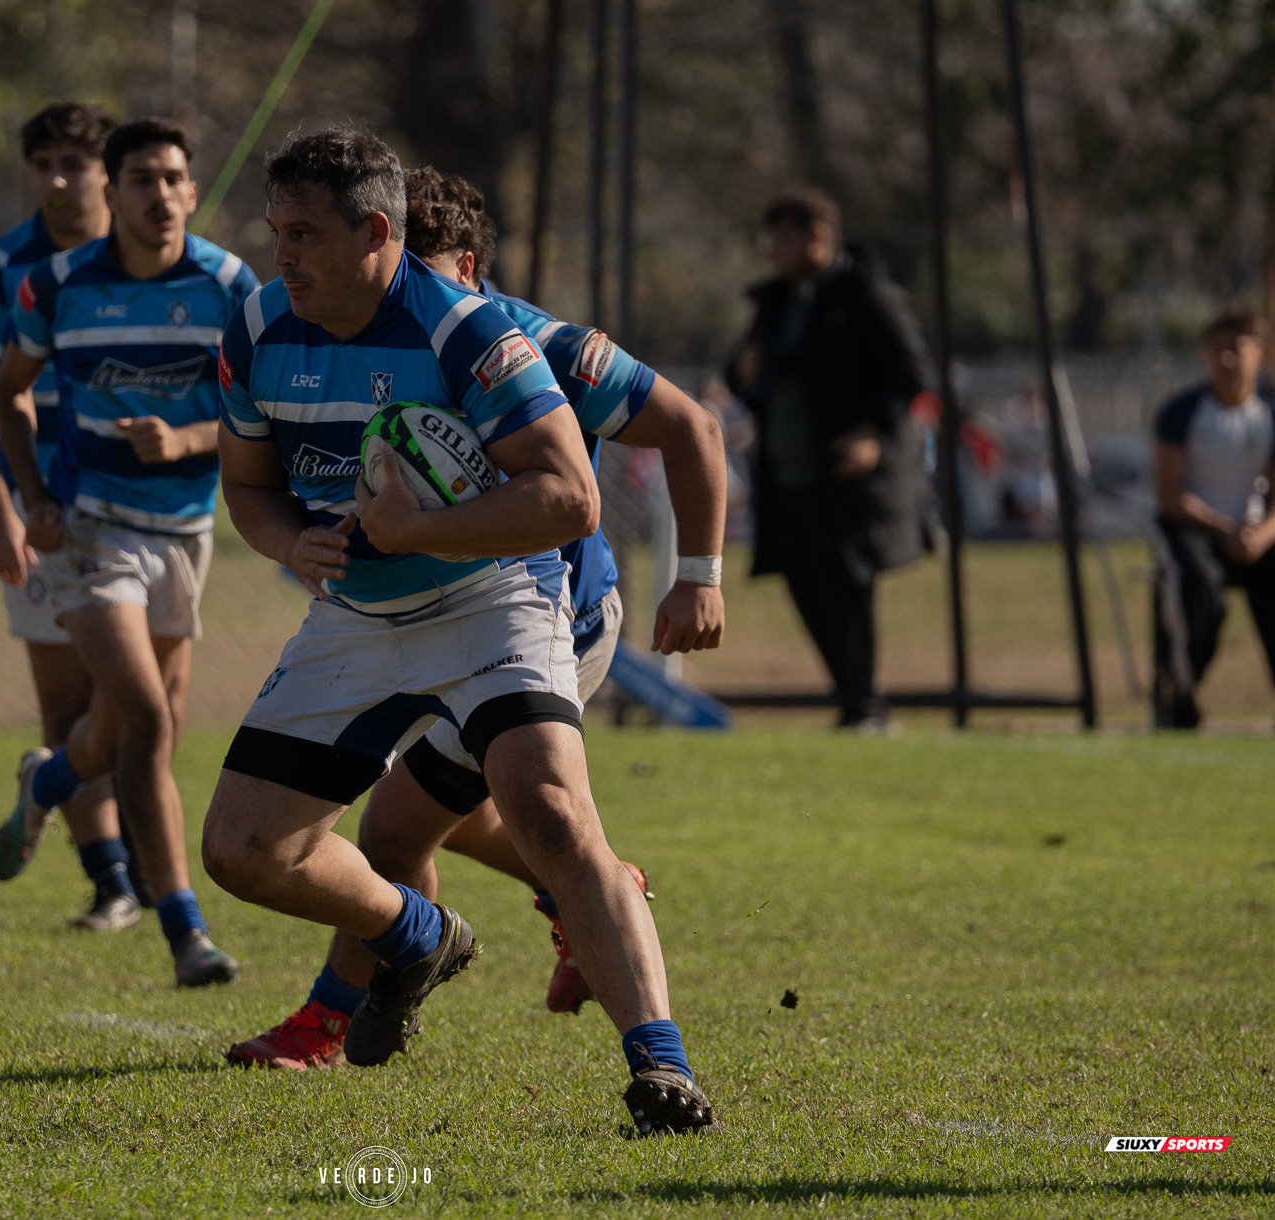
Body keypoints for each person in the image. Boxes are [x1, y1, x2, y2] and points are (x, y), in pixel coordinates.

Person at [200, 124, 714, 1135]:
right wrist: (289, 543)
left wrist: (424, 528)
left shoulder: (474, 334)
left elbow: (571, 499)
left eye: (303, 234)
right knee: (241, 848)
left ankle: (661, 1063)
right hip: (357, 613)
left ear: (375, 232)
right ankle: (418, 931)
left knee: (554, 813)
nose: (282, 255)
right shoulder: (258, 329)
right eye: (277, 232)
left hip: (492, 597)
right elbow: (248, 488)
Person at [0, 118, 260, 987]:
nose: (162, 194)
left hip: (183, 532)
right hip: (90, 528)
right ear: (113, 189)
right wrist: (30, 494)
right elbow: (9, 394)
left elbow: (262, 413)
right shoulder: (58, 284)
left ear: (191, 186)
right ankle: (186, 931)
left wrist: (185, 441)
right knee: (143, 719)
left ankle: (49, 779)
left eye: (175, 178)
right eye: (141, 178)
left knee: (142, 732)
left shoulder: (228, 283)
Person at [0, 102, 151, 930]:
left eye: (76, 162)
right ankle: (114, 882)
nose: (60, 180)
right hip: (45, 516)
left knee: (147, 702)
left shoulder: (153, 258)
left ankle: (82, 808)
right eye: (45, 164)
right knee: (70, 702)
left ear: (108, 171)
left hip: (145, 514)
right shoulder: (0, 267)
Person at [724, 189, 932, 730]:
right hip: (786, 473)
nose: (772, 250)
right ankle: (854, 701)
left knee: (847, 583)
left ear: (817, 235)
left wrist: (872, 434)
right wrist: (738, 370)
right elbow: (746, 372)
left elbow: (910, 371)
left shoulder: (866, 294)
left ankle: (864, 705)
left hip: (846, 477)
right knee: (802, 581)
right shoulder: (774, 301)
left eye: (783, 237)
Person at [1151, 304, 1275, 728]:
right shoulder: (1183, 412)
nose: (1224, 360)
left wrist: (1261, 535)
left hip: (1254, 530)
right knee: (1200, 588)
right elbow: (1170, 496)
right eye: (1215, 350)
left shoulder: (1269, 412)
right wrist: (1227, 530)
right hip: (1194, 527)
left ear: (1260, 353)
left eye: (1234, 349)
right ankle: (1179, 690)